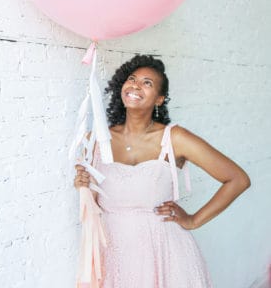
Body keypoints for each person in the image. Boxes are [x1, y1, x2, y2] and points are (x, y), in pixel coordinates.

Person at [74, 54, 251, 287]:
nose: (136, 85)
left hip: (167, 255)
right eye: (132, 78)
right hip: (116, 254)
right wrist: (83, 185)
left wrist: (193, 220)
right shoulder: (97, 140)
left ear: (159, 99)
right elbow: (94, 208)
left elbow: (237, 179)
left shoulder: (175, 138)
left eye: (147, 83)